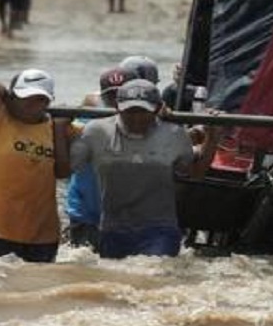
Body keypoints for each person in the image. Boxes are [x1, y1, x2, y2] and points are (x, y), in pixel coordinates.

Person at [70, 79, 220, 259]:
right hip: (112, 228)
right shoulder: (96, 132)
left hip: (160, 229)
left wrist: (212, 138)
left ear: (157, 109)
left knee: (153, 274)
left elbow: (196, 174)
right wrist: (57, 126)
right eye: (130, 111)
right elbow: (65, 168)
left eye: (143, 111)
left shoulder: (173, 134)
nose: (136, 118)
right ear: (118, 107)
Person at [63, 58, 161, 251]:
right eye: (111, 97)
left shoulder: (152, 123)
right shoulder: (87, 117)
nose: (116, 102)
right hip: (86, 214)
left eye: (122, 96)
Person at [0, 69, 72, 263]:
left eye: (39, 100)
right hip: (0, 229)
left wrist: (60, 130)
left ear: (48, 102)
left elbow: (62, 172)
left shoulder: (57, 127)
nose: (31, 104)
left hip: (44, 233)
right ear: (12, 97)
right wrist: (9, 98)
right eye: (25, 97)